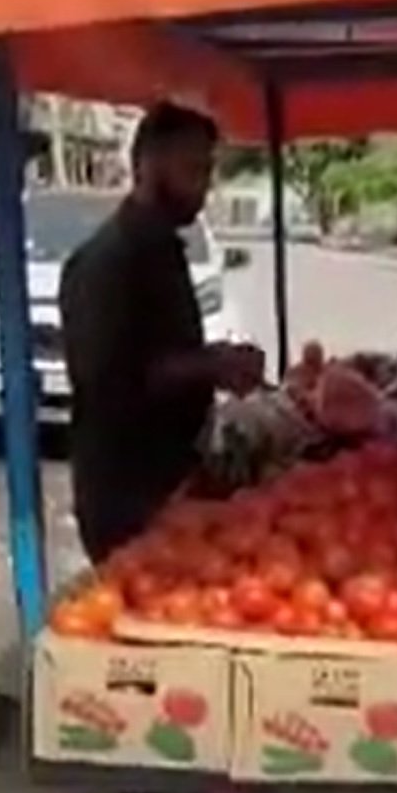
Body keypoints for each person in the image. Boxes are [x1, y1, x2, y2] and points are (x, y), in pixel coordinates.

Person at [59, 102, 266, 565]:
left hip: (171, 478)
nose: (205, 186)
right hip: (128, 495)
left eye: (208, 171)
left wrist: (214, 358)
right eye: (193, 169)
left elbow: (162, 350)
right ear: (147, 166)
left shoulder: (163, 249)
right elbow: (108, 378)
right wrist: (210, 366)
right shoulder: (107, 261)